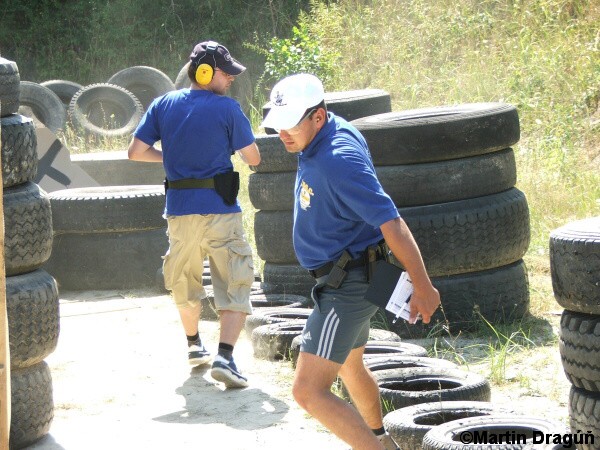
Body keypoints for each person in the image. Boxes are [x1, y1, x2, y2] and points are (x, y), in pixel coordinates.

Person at [261, 73, 441, 449]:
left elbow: (391, 221)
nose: (283, 135)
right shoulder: (325, 133)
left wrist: (422, 284)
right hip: (355, 273)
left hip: (347, 286)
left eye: (290, 124)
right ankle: (380, 438)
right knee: (350, 365)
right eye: (277, 125)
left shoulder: (336, 161)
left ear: (318, 117)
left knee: (308, 391)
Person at [128, 40, 260, 389]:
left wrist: (171, 159)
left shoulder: (162, 104)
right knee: (235, 280)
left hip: (180, 214)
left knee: (184, 281)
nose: (231, 78)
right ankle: (226, 358)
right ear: (204, 73)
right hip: (221, 212)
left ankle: (193, 346)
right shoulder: (228, 109)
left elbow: (136, 152)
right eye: (226, 72)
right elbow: (254, 158)